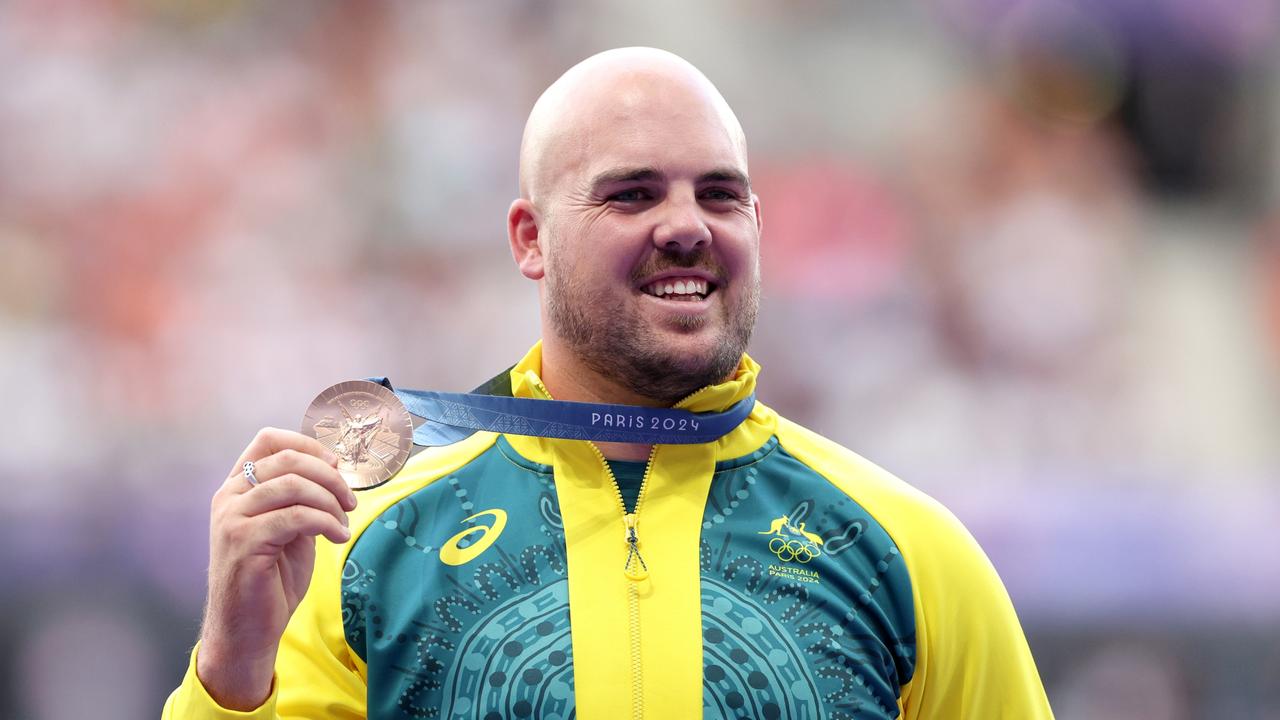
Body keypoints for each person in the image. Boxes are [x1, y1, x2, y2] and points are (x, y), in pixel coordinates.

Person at [163, 47, 1054, 719]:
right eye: (630, 194)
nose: (685, 226)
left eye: (720, 194)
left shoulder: (908, 551)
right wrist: (231, 674)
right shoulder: (368, 549)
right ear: (529, 239)